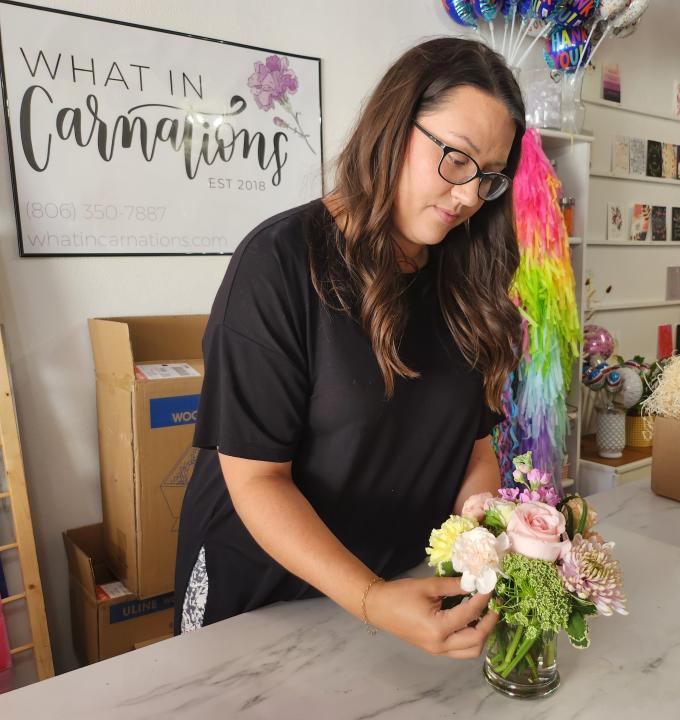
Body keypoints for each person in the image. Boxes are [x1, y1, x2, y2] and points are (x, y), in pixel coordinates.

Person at [174, 36, 525, 660]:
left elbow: (474, 447)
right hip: (261, 600)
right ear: (393, 125)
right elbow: (257, 481)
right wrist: (366, 596)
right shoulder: (280, 263)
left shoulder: (464, 280)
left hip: (393, 594)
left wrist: (481, 533)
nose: (470, 195)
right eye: (456, 159)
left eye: (490, 178)